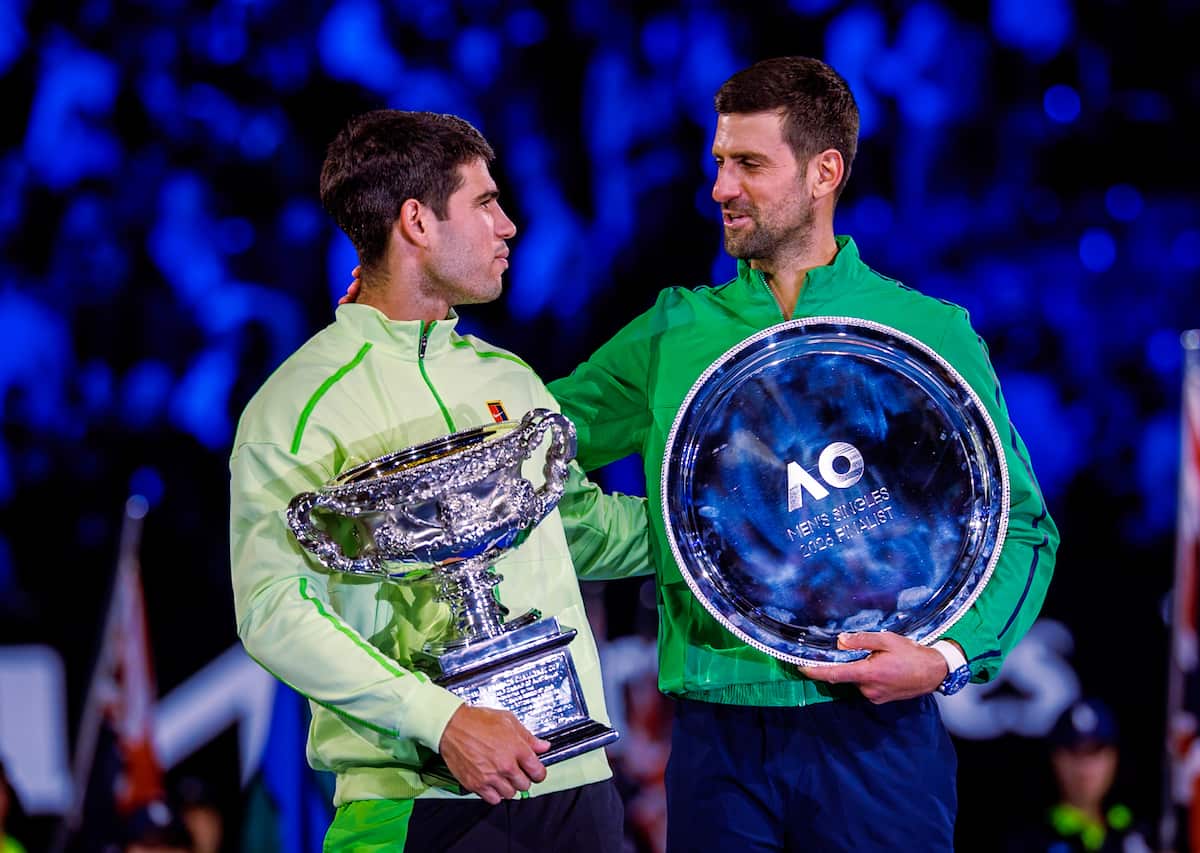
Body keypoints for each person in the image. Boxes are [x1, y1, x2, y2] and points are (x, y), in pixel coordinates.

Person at [339, 56, 1058, 851]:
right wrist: (398, 329)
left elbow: (1022, 530)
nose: (721, 187)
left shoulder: (929, 332)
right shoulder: (675, 333)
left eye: (749, 163)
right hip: (719, 738)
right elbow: (521, 442)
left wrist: (948, 657)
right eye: (719, 162)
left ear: (825, 172)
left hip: (878, 731)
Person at [230, 109, 650, 851]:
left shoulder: (508, 377)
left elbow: (576, 529)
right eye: (485, 202)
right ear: (417, 222)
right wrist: (442, 719)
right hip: (414, 796)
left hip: (574, 784)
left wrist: (717, 521)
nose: (510, 225)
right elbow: (272, 610)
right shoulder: (295, 407)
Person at [1006, 698, 1151, 853]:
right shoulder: (1029, 841)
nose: (1085, 768)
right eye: (1074, 753)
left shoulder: (1139, 833)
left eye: (1095, 752)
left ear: (1113, 758)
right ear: (1056, 759)